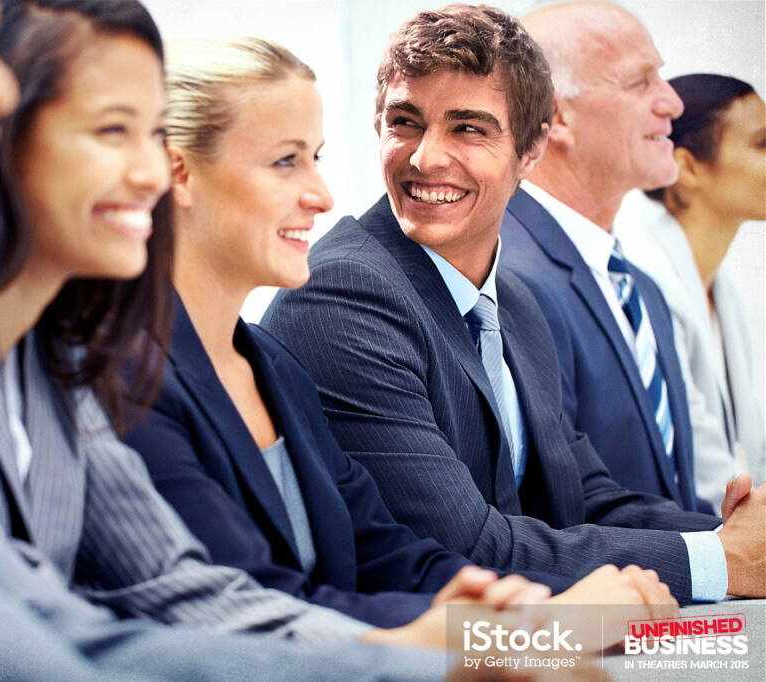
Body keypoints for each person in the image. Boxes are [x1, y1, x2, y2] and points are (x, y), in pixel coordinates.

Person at [0, 1, 476, 678]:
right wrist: (479, 651)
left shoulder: (76, 363)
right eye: (110, 130)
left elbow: (133, 603)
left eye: (153, 134)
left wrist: (513, 641)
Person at [119, 33, 685, 635]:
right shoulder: (123, 375)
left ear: (531, 149)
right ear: (177, 172)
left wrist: (519, 618)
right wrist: (529, 632)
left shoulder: (270, 366)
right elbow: (253, 609)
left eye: (315, 157)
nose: (322, 194)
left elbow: (384, 550)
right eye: (286, 160)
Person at [261, 3, 766, 605]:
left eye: (468, 128)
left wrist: (735, 536)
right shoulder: (344, 295)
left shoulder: (515, 304)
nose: (425, 157)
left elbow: (587, 496)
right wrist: (720, 560)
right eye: (405, 122)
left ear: (531, 151)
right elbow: (466, 550)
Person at [497, 1, 707, 513]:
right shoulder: (500, 274)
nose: (674, 103)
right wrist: (726, 549)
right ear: (555, 117)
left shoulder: (641, 288)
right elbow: (558, 505)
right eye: (640, 82)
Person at [619, 74, 766, 508]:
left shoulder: (719, 287)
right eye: (762, 143)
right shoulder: (640, 282)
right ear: (687, 168)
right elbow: (696, 467)